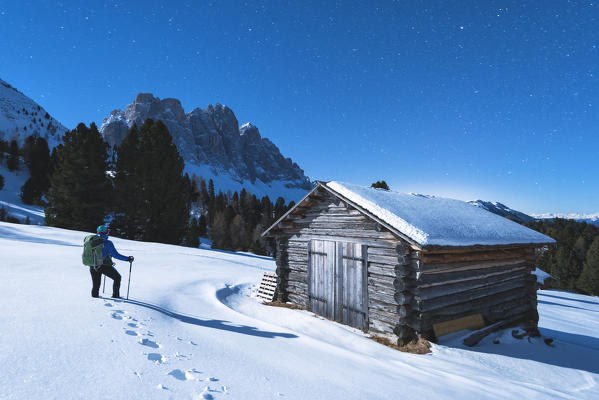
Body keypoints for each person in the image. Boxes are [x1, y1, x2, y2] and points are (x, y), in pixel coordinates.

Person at [90, 225, 134, 299]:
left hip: (91, 264)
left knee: (96, 284)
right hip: (102, 265)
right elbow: (116, 255)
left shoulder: (91, 240)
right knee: (117, 277)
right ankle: (115, 295)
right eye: (107, 231)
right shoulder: (108, 243)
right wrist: (127, 259)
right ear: (105, 232)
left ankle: (94, 300)